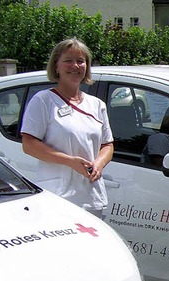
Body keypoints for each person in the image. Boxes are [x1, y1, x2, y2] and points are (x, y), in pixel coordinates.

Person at [21, 38, 113, 218]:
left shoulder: (97, 105)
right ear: (56, 66)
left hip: (91, 196)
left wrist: (99, 164)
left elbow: (107, 145)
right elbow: (29, 145)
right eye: (68, 60)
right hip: (59, 197)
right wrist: (69, 161)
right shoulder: (43, 101)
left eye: (81, 61)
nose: (75, 66)